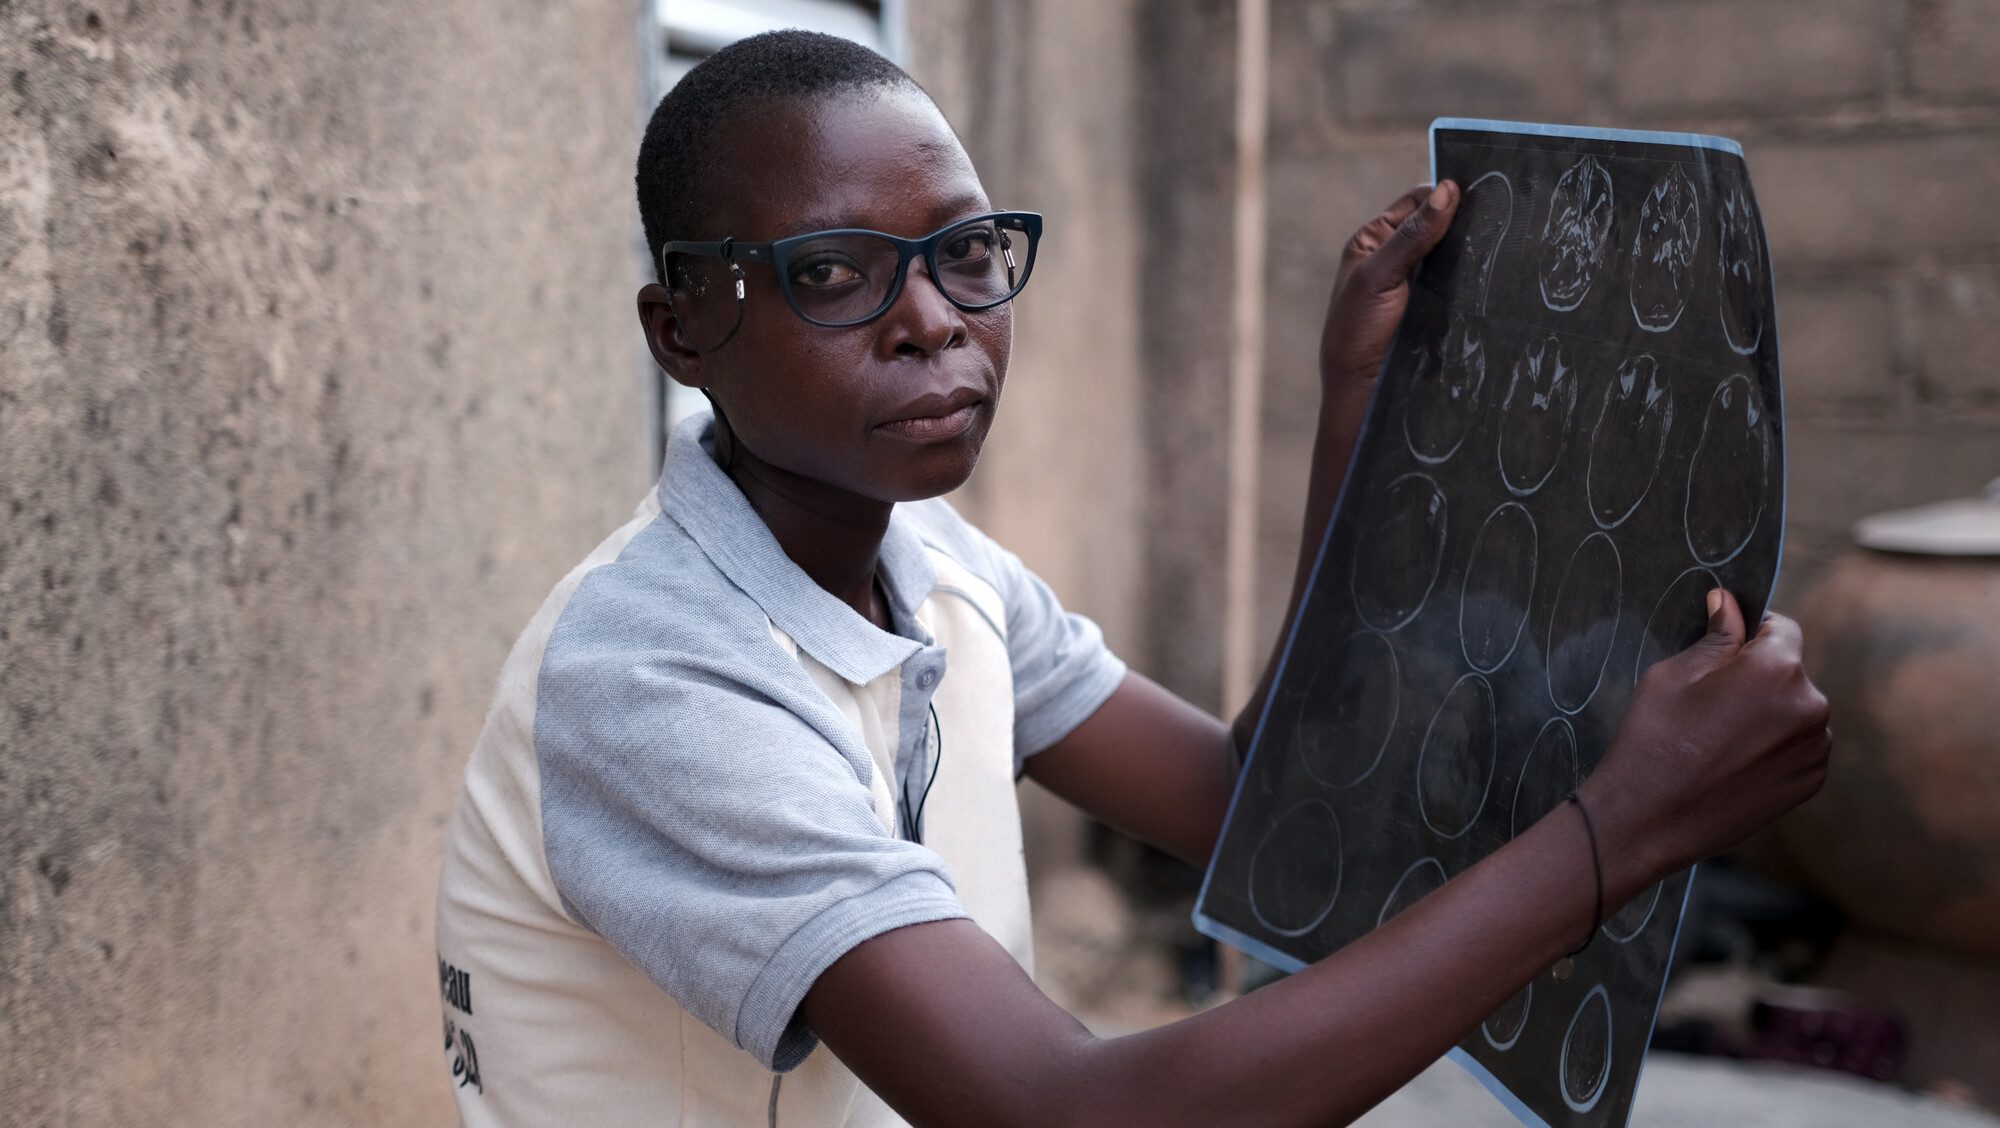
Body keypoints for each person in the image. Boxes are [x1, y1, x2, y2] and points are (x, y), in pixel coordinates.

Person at [433, 29, 1831, 1128]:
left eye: (965, 252)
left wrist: (1365, 403)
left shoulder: (936, 571)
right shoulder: (654, 681)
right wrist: (1621, 835)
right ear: (681, 330)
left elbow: (1250, 809)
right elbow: (1061, 1112)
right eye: (834, 274)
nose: (935, 324)